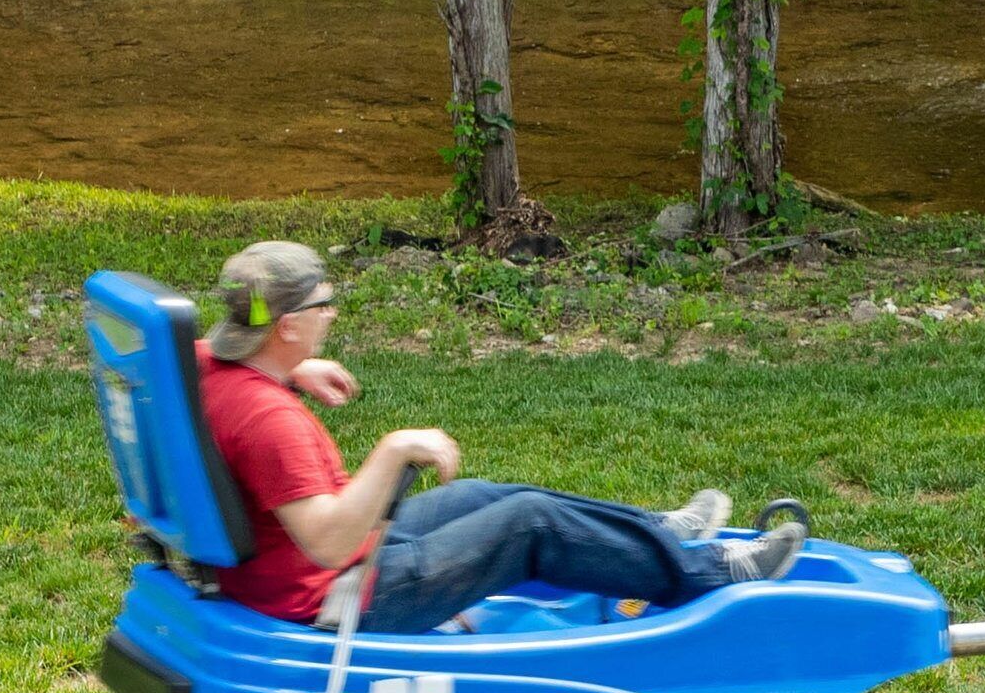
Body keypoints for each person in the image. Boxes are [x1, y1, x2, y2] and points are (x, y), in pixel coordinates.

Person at [193, 240, 805, 634]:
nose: (332, 313)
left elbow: (207, 343)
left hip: (294, 569)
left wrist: (290, 365)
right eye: (324, 304)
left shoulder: (205, 370)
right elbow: (327, 544)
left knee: (481, 496)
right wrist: (393, 449)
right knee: (530, 523)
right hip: (340, 597)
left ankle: (655, 534)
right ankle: (712, 572)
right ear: (289, 325)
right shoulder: (270, 421)